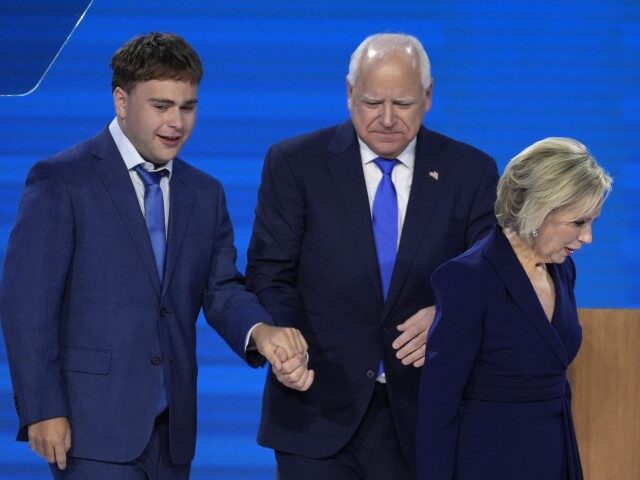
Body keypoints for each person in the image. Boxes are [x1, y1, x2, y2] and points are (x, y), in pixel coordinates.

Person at [0, 32, 311, 480]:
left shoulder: (204, 193)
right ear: (121, 101)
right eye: (161, 106)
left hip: (173, 432)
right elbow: (27, 304)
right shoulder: (61, 180)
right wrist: (41, 408)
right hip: (90, 431)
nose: (176, 123)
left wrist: (261, 331)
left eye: (188, 107)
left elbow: (220, 288)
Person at [246, 33, 499, 479]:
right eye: (370, 102)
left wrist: (448, 313)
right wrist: (286, 341)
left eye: (402, 104)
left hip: (424, 414)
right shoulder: (294, 163)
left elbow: (491, 280)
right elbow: (270, 273)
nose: (386, 119)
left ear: (428, 96)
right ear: (348, 95)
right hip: (315, 410)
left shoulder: (470, 172)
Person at [416, 137, 613, 480]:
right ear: (540, 210)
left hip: (554, 454)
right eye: (579, 222)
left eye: (592, 222)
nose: (587, 238)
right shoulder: (468, 277)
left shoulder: (562, 267)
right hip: (489, 460)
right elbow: (438, 406)